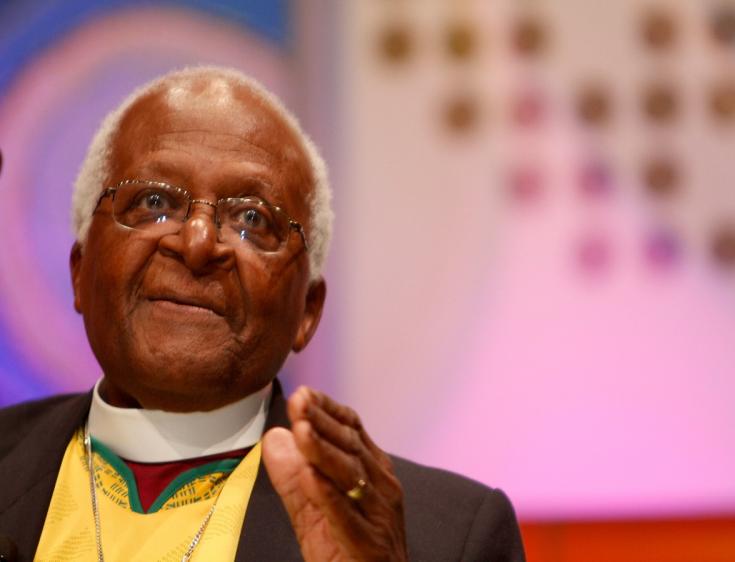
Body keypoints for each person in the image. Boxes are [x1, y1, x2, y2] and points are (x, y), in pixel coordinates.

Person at [0, 66, 524, 562]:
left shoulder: (444, 539)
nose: (197, 244)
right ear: (79, 270)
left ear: (308, 312)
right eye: (154, 202)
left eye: (252, 219)